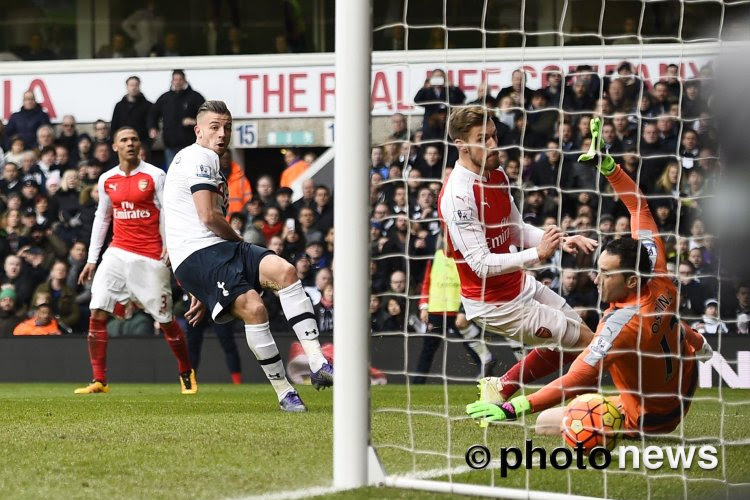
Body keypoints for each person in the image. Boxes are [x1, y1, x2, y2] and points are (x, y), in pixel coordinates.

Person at [466, 117, 712, 437]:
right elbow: (638, 207)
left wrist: (514, 408)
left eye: (606, 274)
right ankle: (699, 343)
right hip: (684, 382)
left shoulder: (619, 324)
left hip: (653, 417)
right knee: (668, 323)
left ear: (632, 281)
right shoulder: (656, 268)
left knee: (547, 424)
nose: (596, 279)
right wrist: (608, 166)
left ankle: (592, 423)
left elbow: (577, 377)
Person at [163, 100, 333, 412]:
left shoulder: (201, 160)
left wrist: (197, 286)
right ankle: (285, 393)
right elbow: (207, 216)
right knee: (255, 308)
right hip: (202, 252)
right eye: (214, 127)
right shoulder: (200, 157)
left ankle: (317, 359)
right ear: (198, 130)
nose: (222, 134)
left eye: (226, 127)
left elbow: (180, 217)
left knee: (286, 272)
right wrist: (231, 247)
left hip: (210, 251)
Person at [437, 105, 599, 406]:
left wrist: (560, 239)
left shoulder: (496, 173)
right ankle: (593, 413)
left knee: (582, 340)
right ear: (460, 145)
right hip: (492, 303)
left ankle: (500, 388)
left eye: (494, 136)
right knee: (590, 345)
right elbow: (480, 264)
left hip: (518, 283)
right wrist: (537, 254)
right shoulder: (459, 195)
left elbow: (516, 229)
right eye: (482, 138)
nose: (492, 144)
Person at [74, 126, 196, 395]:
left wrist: (170, 245)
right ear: (115, 147)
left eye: (134, 140)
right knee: (97, 310)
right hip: (117, 252)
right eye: (124, 140)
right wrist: (93, 259)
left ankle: (186, 370)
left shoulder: (155, 175)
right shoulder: (107, 179)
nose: (130, 144)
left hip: (150, 257)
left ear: (139, 145)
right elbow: (103, 217)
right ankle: (99, 380)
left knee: (165, 320)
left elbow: (169, 211)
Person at [148, 70, 205, 168]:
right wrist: (153, 128)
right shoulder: (165, 98)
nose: (177, 82)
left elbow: (205, 115)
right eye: (175, 79)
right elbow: (153, 114)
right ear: (172, 81)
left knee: (190, 170)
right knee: (173, 171)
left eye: (180, 79)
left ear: (185, 81)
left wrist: (194, 121)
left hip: (190, 144)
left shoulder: (195, 97)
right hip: (170, 144)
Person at [111, 76, 153, 148]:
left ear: (139, 86)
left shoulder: (148, 106)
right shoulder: (119, 106)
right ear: (127, 87)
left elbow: (151, 123)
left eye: (136, 85)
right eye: (131, 85)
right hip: (123, 144)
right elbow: (114, 126)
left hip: (142, 144)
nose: (133, 88)